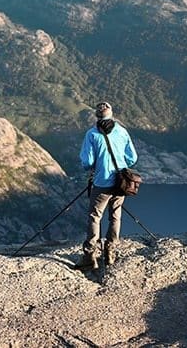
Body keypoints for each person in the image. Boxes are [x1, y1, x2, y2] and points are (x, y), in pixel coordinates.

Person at [74, 102, 137, 271]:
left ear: (96, 115)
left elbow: (87, 162)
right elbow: (132, 158)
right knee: (115, 215)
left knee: (95, 216)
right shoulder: (122, 131)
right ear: (111, 114)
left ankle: (89, 255)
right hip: (120, 182)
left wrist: (98, 166)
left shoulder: (92, 134)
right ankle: (110, 251)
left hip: (101, 182)